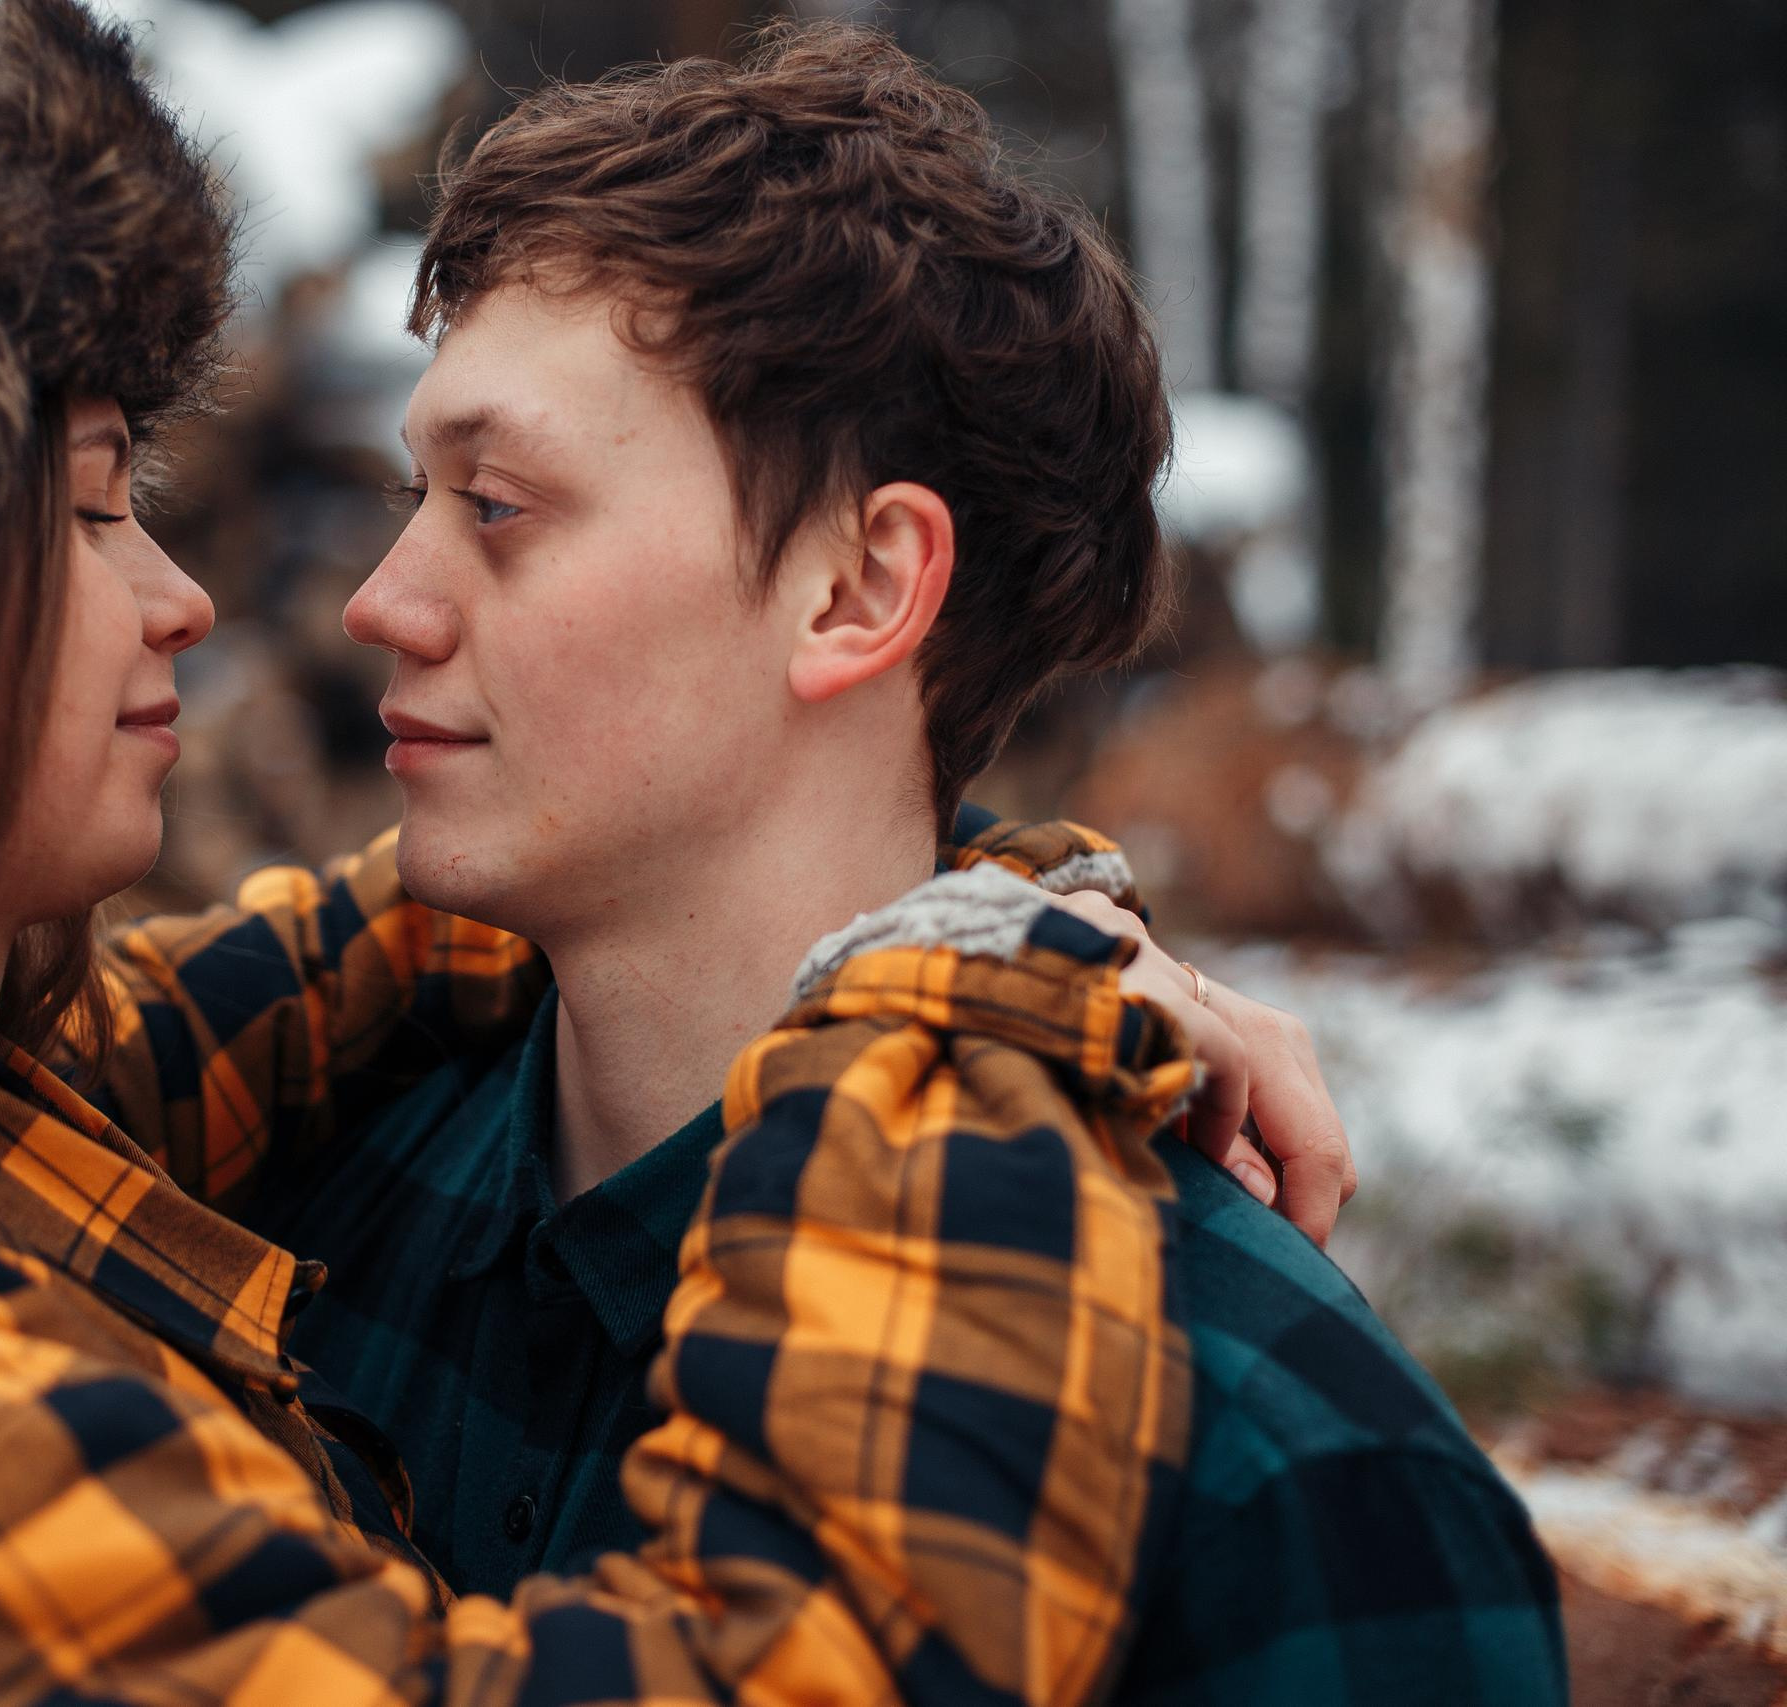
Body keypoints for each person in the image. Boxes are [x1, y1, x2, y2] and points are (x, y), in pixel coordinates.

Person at [0, 3, 1232, 1704]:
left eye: (498, 506)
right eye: (85, 514)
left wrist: (953, 916)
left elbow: (332, 967)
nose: (182, 600)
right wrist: (968, 1007)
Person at [131, 22, 1562, 1704]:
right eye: (406, 491)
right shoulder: (265, 1219)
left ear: (860, 590)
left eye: (498, 504)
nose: (384, 600)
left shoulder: (1281, 1466)